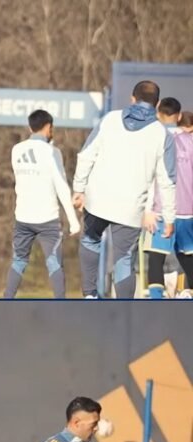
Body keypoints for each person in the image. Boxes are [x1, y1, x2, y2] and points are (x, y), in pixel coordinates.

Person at [72, 80, 176, 299]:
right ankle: (124, 308)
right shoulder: (162, 134)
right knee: (124, 258)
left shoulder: (109, 119)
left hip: (98, 199)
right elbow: (166, 180)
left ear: (132, 98)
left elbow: (86, 154)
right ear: (157, 105)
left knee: (91, 240)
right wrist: (168, 217)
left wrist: (79, 188)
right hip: (130, 208)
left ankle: (89, 295)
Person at [3, 109, 80, 299]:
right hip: (48, 219)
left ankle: (6, 300)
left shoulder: (16, 150)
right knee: (54, 263)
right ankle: (61, 308)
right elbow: (61, 187)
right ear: (49, 127)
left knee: (18, 261)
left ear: (30, 127)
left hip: (23, 217)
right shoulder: (52, 152)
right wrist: (74, 220)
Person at [144, 102, 193, 298]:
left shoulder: (154, 139)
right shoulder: (190, 142)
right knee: (189, 257)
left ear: (158, 113)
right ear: (179, 115)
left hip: (161, 210)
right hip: (189, 211)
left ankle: (156, 302)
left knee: (156, 258)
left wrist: (147, 210)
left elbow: (148, 176)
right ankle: (188, 294)